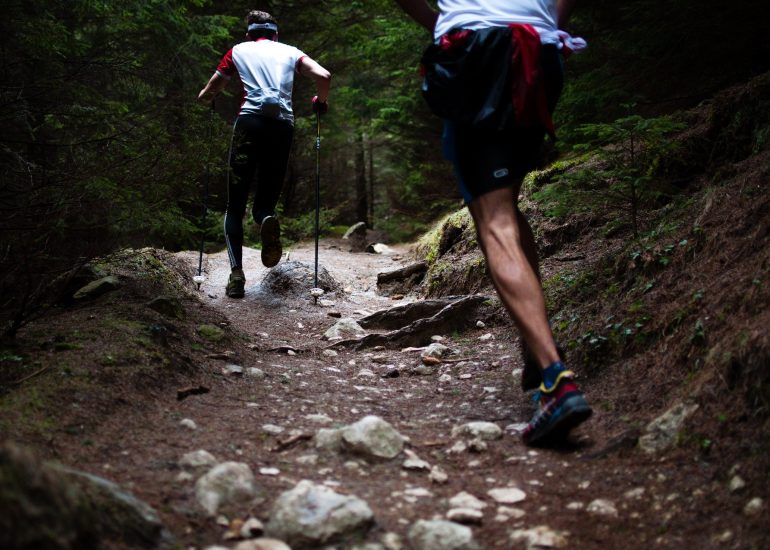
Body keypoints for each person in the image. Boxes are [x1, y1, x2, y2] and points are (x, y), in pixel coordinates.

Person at [394, 0, 591, 446]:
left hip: (474, 50)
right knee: (508, 203)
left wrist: (441, 23)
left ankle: (557, 381)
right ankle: (538, 353)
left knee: (495, 219)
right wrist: (551, 31)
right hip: (539, 52)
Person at [198, 10, 331, 298]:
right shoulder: (290, 52)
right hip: (282, 126)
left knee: (234, 204)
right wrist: (321, 101)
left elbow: (214, 86)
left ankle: (236, 276)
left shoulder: (238, 50)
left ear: (249, 34)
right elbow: (324, 75)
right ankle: (265, 218)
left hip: (249, 123)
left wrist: (206, 98)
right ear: (276, 35)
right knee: (265, 202)